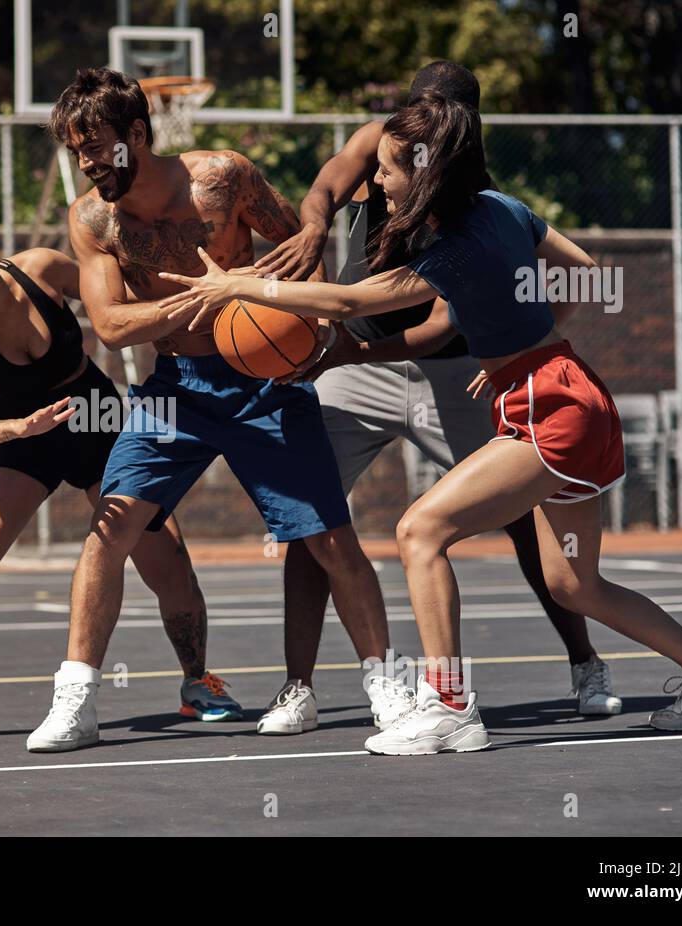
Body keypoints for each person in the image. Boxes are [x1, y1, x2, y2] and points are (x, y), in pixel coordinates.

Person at [157, 93, 682, 755]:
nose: (379, 180)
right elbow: (584, 273)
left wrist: (237, 288)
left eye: (389, 169)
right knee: (574, 582)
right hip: (570, 392)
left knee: (419, 530)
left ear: (424, 173)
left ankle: (449, 707)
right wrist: (523, 346)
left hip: (551, 410)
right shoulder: (503, 209)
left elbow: (346, 300)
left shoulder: (452, 246)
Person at [25, 67, 411, 753]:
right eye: (75, 150)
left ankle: (384, 685)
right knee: (108, 531)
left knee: (328, 538)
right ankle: (76, 697)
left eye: (96, 146)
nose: (85, 163)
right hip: (175, 387)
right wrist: (207, 297)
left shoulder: (225, 178)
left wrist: (305, 327)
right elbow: (111, 325)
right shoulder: (91, 219)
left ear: (137, 134)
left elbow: (303, 253)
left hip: (263, 380)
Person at [251, 60, 621, 717]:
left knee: (521, 516)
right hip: (354, 366)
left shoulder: (474, 207)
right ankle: (299, 686)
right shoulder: (381, 139)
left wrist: (532, 345)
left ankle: (584, 663)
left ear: (461, 130)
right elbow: (324, 188)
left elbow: (433, 327)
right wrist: (314, 225)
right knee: (316, 513)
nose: (417, 136)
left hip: (443, 369)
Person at [0, 201, 240, 746]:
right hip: (24, 438)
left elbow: (115, 304)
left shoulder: (42, 268)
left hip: (98, 419)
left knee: (167, 558)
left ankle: (198, 682)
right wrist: (16, 429)